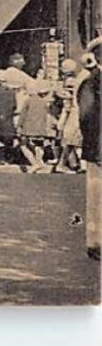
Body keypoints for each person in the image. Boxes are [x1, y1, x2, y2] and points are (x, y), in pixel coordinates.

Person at [76, 51, 99, 260]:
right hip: (99, 150)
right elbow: (87, 118)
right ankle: (96, 242)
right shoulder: (91, 83)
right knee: (97, 196)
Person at [54, 59, 84, 174]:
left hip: (72, 111)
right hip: (74, 111)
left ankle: (73, 163)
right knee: (71, 138)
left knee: (71, 139)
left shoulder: (69, 80)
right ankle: (64, 164)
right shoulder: (74, 80)